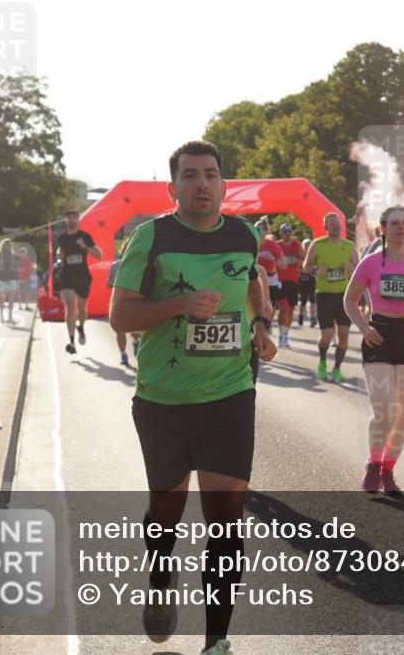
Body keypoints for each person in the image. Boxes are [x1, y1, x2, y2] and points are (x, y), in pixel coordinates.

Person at [109, 140, 276, 655]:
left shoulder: (244, 235)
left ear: (223, 184)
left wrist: (262, 326)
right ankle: (160, 580)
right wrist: (180, 303)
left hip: (230, 394)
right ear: (173, 186)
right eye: (190, 175)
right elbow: (121, 316)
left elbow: (253, 281)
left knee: (226, 517)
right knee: (167, 507)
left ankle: (217, 641)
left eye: (210, 175)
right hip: (164, 398)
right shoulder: (151, 237)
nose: (201, 183)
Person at [344, 205, 404, 495]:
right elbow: (350, 300)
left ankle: (388, 470)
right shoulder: (370, 263)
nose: (401, 227)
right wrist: (365, 328)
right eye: (395, 223)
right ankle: (373, 464)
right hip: (378, 334)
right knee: (383, 409)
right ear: (383, 229)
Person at [303, 213, 358, 382]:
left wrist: (352, 269)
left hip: (344, 296)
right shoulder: (317, 244)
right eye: (331, 223)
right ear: (326, 227)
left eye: (337, 223)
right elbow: (306, 266)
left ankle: (336, 369)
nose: (335, 225)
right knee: (326, 335)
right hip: (324, 294)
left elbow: (360, 269)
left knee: (344, 335)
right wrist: (315, 272)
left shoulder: (349, 245)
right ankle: (322, 362)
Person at [58, 210, 103, 354]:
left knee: (82, 309)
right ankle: (71, 342)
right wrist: (60, 256)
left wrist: (85, 247)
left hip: (82, 276)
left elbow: (99, 255)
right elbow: (61, 253)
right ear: (66, 221)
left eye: (74, 218)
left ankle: (81, 327)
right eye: (69, 218)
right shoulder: (62, 238)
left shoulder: (85, 236)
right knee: (70, 306)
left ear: (78, 221)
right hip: (67, 276)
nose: (71, 220)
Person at [107, 237, 141, 367]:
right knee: (120, 331)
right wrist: (116, 282)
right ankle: (123, 354)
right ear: (123, 250)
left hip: (136, 303)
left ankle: (135, 342)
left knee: (135, 332)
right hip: (118, 303)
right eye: (127, 247)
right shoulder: (116, 266)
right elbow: (108, 284)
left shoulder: (140, 264)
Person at [275, 223, 304, 348]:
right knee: (283, 308)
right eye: (285, 231)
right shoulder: (277, 245)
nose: (287, 234)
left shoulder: (296, 245)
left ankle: (285, 335)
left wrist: (299, 262)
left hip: (293, 281)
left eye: (289, 231)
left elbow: (304, 260)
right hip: (280, 280)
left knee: (291, 310)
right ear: (281, 233)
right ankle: (281, 335)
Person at [255, 216, 286, 313]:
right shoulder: (250, 243)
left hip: (271, 278)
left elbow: (284, 265)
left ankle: (268, 326)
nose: (259, 232)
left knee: (270, 307)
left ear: (266, 231)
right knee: (256, 306)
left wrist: (272, 258)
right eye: (256, 229)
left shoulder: (273, 245)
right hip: (255, 278)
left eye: (261, 230)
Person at [0, 238, 18, 324]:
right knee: (5, 299)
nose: (8, 246)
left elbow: (16, 268)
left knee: (7, 299)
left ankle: (7, 318)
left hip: (8, 279)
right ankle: (5, 318)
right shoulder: (1, 255)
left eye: (9, 244)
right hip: (5, 279)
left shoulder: (12, 255)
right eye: (6, 244)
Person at [297, 238, 317, 327]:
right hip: (302, 280)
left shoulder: (313, 257)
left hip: (312, 279)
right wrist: (305, 271)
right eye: (306, 246)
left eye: (309, 245)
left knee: (313, 299)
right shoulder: (300, 256)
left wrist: (311, 271)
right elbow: (297, 269)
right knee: (303, 299)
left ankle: (312, 318)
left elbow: (315, 268)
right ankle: (301, 315)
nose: (308, 247)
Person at [16, 246, 33, 311]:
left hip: (24, 279)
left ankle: (24, 306)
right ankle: (22, 306)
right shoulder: (24, 260)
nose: (23, 254)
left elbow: (29, 270)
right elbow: (18, 270)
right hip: (22, 278)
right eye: (22, 253)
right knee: (22, 292)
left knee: (24, 292)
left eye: (23, 253)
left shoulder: (26, 260)